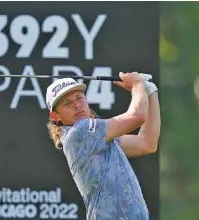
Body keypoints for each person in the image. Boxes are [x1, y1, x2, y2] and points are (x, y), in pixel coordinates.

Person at [45, 72, 161, 220]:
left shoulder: (98, 138)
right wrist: (137, 85)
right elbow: (137, 116)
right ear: (55, 116)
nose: (77, 105)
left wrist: (151, 92)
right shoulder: (79, 132)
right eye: (67, 103)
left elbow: (147, 143)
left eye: (79, 98)